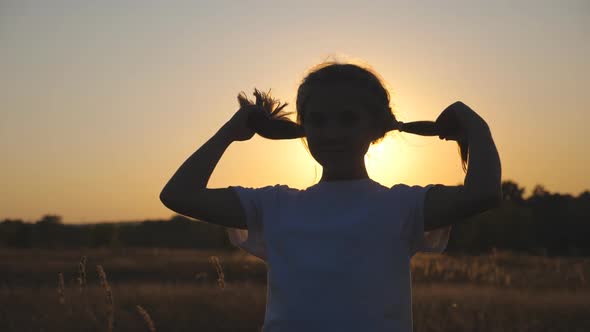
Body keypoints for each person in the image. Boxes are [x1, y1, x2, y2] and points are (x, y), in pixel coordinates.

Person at [159, 60, 502, 332]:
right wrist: (229, 133)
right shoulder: (274, 206)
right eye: (318, 121)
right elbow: (179, 195)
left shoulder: (402, 206)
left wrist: (475, 125)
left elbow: (483, 193)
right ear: (303, 129)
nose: (332, 132)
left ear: (376, 128)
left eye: (348, 119)